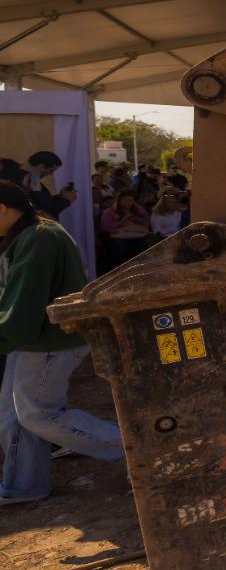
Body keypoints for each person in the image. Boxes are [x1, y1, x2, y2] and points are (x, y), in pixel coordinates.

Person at [0, 181, 123, 505]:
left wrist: (5, 335)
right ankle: (24, 486)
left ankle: (138, 448)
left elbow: (21, 311)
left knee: (39, 414)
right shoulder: (30, 233)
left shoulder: (38, 239)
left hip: (48, 342)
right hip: (36, 340)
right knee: (14, 415)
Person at [99, 190, 151, 268]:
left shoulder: (139, 209)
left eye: (131, 200)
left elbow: (147, 222)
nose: (129, 203)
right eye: (126, 200)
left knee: (142, 243)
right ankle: (117, 267)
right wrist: (122, 222)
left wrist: (136, 219)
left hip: (136, 234)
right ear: (119, 201)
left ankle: (139, 266)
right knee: (120, 245)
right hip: (119, 236)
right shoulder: (110, 212)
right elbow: (105, 227)